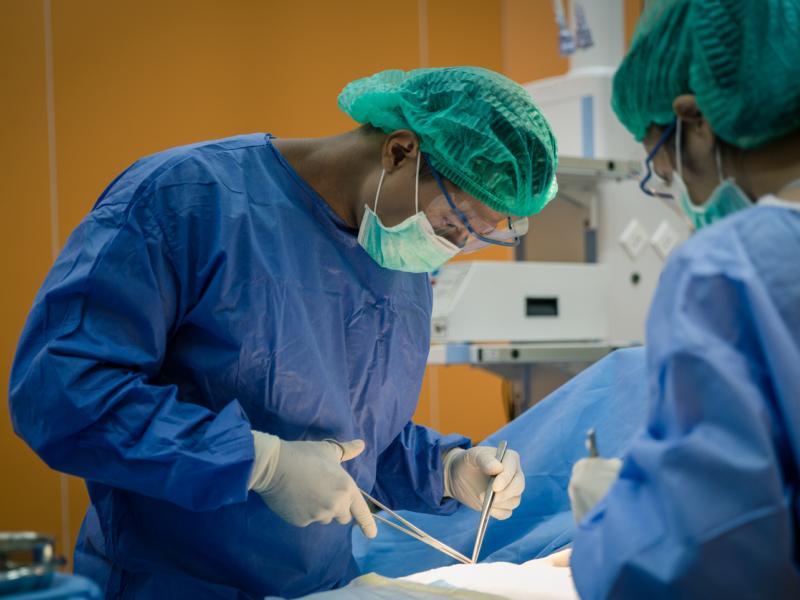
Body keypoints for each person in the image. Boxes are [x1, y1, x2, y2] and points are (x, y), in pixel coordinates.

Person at [9, 66, 556, 599]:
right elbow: (62, 391)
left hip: (320, 587)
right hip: (169, 582)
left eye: (473, 237)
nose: (449, 246)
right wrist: (259, 463)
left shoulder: (400, 259)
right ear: (399, 151)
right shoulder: (186, 200)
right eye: (448, 221)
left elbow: (351, 439)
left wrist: (446, 469)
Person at [567, 0, 800, 597]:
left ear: (695, 120)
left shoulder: (732, 267)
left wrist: (615, 522)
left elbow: (699, 562)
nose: (674, 191)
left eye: (662, 167)